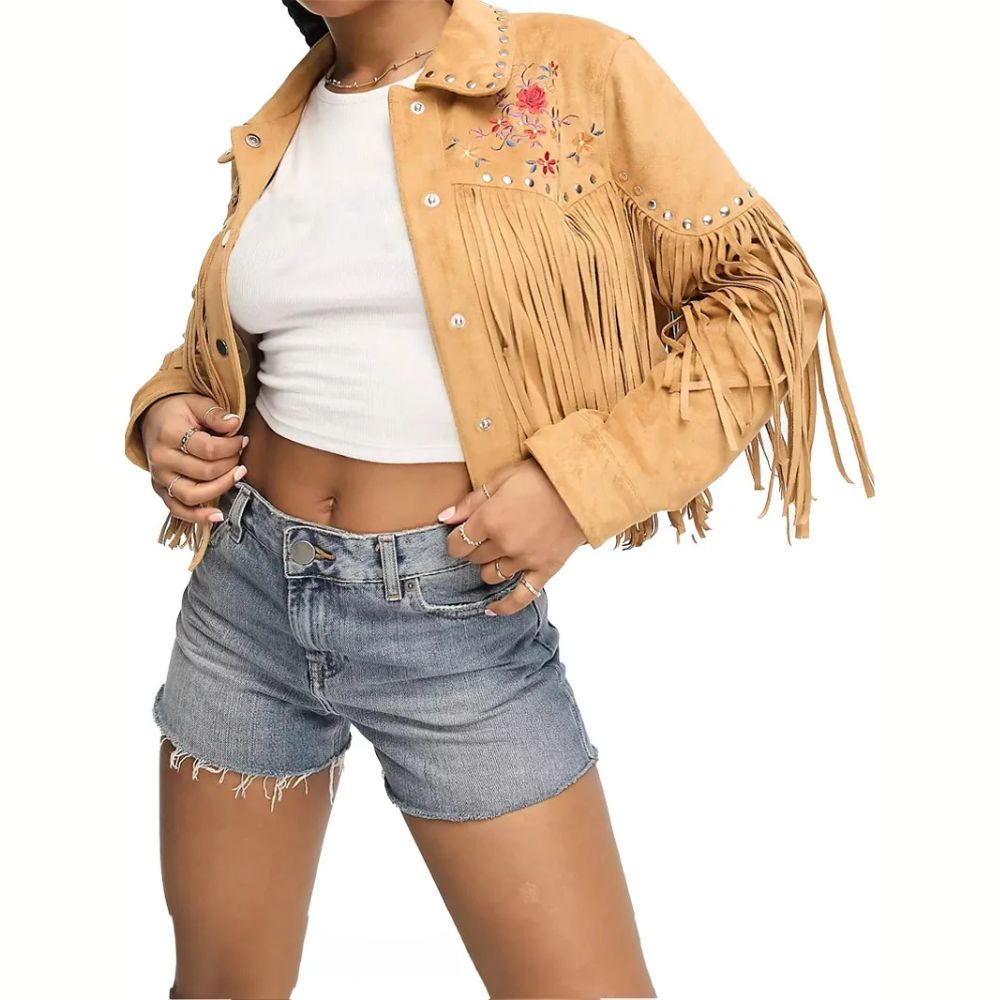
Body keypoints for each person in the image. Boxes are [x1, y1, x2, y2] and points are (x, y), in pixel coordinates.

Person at [125, 1, 874, 996]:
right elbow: (253, 344)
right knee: (218, 987)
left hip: (454, 614)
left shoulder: (579, 71)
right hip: (245, 598)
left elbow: (766, 300)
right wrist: (166, 409)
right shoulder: (283, 123)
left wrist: (579, 482)